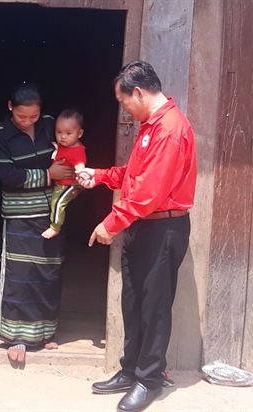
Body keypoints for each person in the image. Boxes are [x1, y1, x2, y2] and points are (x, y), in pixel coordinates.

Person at [77, 61, 197, 412]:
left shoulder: (171, 129)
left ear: (139, 93)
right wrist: (99, 175)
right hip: (143, 226)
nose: (124, 108)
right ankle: (131, 370)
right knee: (134, 302)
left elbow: (149, 194)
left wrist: (109, 224)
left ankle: (149, 379)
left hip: (162, 227)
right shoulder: (151, 127)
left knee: (155, 306)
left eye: (124, 100)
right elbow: (135, 177)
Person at [0, 83, 75, 364]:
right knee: (20, 275)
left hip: (50, 215)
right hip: (20, 216)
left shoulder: (50, 126)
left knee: (47, 274)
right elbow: (9, 176)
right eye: (22, 116)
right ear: (10, 107)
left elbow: (69, 152)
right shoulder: (0, 134)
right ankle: (17, 337)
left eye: (33, 116)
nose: (27, 121)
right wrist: (49, 174)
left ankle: (43, 332)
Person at [41, 109, 87, 239]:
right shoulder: (65, 144)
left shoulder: (76, 151)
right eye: (59, 132)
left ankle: (55, 227)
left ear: (80, 133)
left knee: (57, 202)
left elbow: (80, 168)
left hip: (69, 185)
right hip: (61, 184)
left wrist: (80, 183)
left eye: (68, 133)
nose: (62, 136)